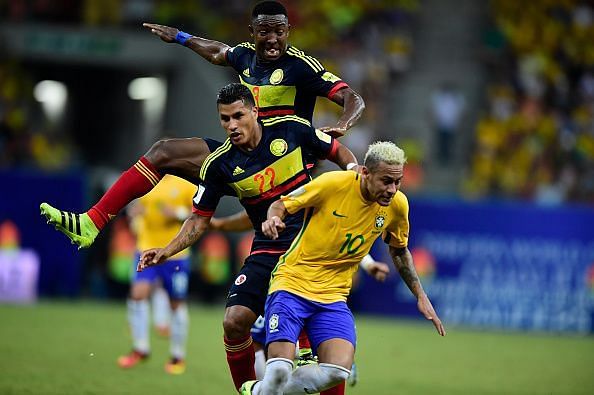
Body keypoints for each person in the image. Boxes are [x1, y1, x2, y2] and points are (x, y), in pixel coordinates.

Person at [40, 0, 364, 249]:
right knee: (163, 151)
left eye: (279, 31)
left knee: (282, 277)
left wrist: (344, 123)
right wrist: (181, 38)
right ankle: (91, 222)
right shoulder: (245, 56)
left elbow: (352, 97)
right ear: (253, 32)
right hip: (241, 158)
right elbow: (218, 52)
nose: (273, 39)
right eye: (265, 31)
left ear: (288, 31)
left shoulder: (301, 67)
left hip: (283, 169)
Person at [136, 83, 358, 391]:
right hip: (266, 248)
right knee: (234, 321)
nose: (232, 125)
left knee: (324, 354)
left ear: (255, 111)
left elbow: (337, 151)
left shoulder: (292, 129)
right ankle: (248, 389)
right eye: (225, 119)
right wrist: (167, 249)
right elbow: (199, 219)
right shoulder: (219, 164)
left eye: (238, 116)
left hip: (309, 248)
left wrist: (353, 173)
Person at [241, 141, 446, 394]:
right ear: (365, 172)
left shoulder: (397, 205)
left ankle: (261, 392)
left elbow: (399, 250)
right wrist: (273, 218)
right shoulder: (333, 184)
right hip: (292, 284)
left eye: (398, 182)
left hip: (333, 297)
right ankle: (266, 387)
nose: (392, 189)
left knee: (338, 371)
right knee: (280, 371)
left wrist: (421, 296)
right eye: (386, 181)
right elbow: (281, 204)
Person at [117, 174, 196, 375]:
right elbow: (134, 209)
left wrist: (177, 213)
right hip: (146, 249)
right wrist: (134, 213)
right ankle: (140, 348)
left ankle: (178, 356)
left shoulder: (186, 185)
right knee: (137, 295)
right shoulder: (147, 182)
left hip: (175, 254)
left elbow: (198, 214)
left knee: (176, 304)